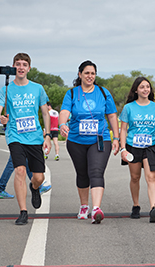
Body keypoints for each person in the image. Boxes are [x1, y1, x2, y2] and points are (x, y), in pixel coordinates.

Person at [0, 52, 51, 225]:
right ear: (13, 67)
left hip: (34, 138)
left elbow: (45, 113)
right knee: (19, 170)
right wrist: (0, 118)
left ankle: (34, 188)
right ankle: (23, 212)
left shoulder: (38, 88)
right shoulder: (6, 89)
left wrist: (47, 135)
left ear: (29, 68)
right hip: (15, 136)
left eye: (24, 64)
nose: (20, 67)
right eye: (17, 64)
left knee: (39, 177)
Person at [58, 60, 119, 224]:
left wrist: (117, 137)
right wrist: (62, 124)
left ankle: (96, 209)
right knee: (82, 173)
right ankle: (84, 206)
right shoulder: (72, 93)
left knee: (96, 171)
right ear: (80, 75)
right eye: (87, 73)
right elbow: (64, 112)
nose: (90, 76)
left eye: (93, 73)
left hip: (100, 139)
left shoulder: (103, 92)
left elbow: (112, 115)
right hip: (76, 140)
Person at [119, 77, 155, 223]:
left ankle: (154, 208)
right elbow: (123, 129)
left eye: (147, 87)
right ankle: (136, 205)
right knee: (135, 177)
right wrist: (123, 149)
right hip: (133, 146)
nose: (145, 89)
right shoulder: (129, 108)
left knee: (151, 177)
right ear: (136, 90)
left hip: (150, 146)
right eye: (142, 87)